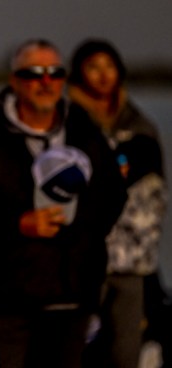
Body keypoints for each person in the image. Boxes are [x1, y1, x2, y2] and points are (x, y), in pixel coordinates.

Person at [0, 39, 127, 367]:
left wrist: (80, 235)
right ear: (14, 80)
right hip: (8, 302)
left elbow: (113, 195)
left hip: (73, 298)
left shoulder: (83, 129)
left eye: (55, 73)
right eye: (34, 73)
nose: (46, 82)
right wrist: (16, 225)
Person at [68, 39, 168, 368]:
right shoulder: (67, 124)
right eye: (93, 67)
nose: (102, 75)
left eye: (109, 66)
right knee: (74, 346)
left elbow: (153, 192)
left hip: (132, 258)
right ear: (78, 73)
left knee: (126, 350)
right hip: (82, 259)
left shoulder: (139, 125)